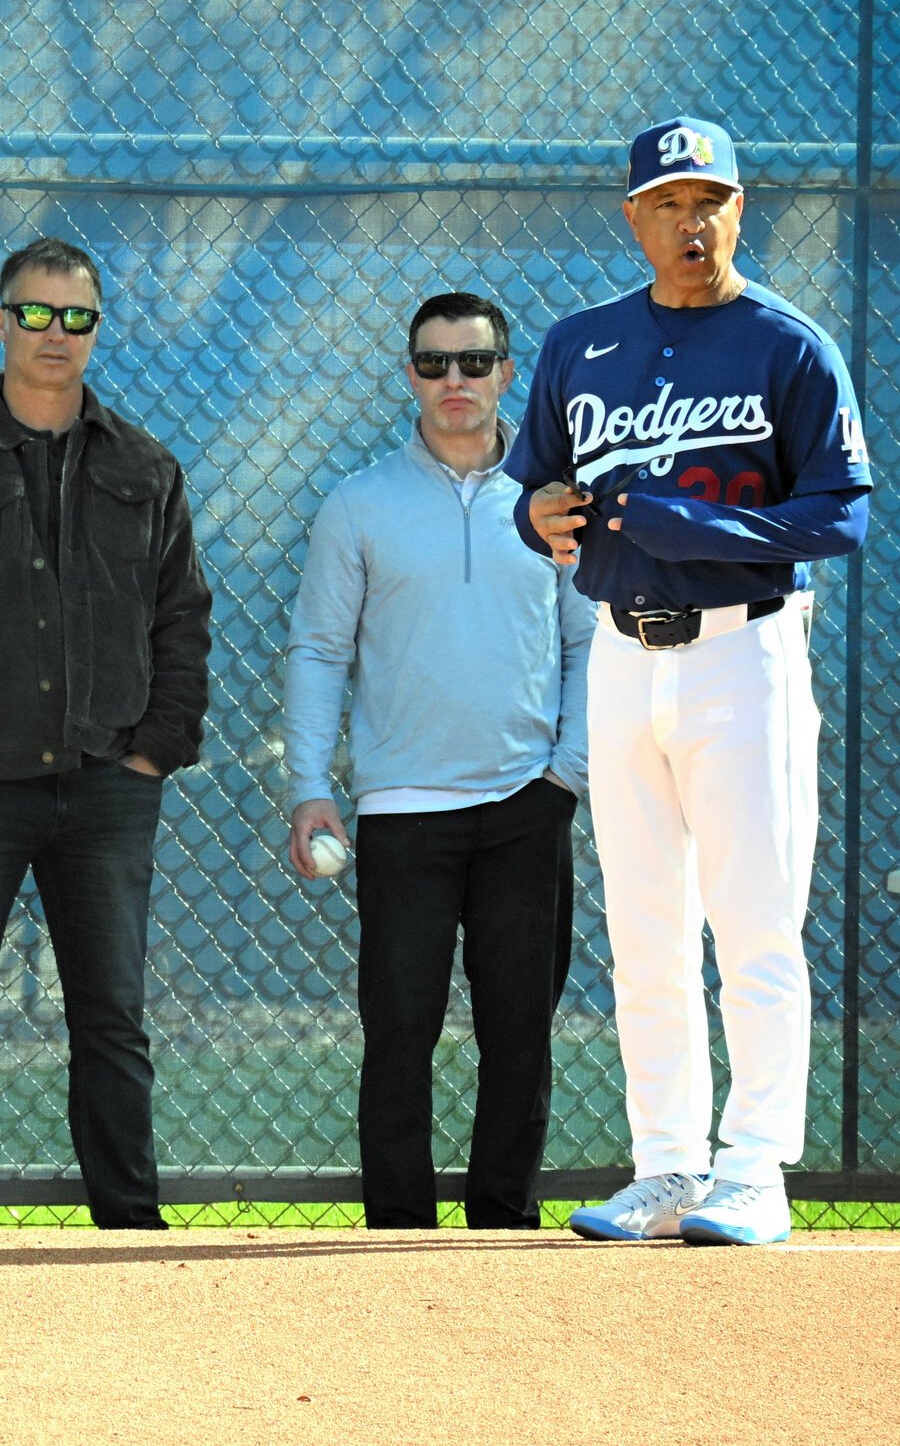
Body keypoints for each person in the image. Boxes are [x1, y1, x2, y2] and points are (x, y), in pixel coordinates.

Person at [506, 116, 872, 1246]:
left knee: (754, 925)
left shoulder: (787, 343)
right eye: (666, 202)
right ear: (633, 219)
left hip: (741, 652)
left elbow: (840, 516)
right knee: (646, 927)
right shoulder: (581, 343)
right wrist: (538, 515)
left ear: (738, 212)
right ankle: (665, 1164)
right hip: (620, 654)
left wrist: (705, 523)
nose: (689, 221)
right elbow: (536, 493)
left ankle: (753, 1168)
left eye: (707, 200)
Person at [0, 237, 212, 1231]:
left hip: (107, 788)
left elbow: (182, 617)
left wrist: (154, 746)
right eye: (36, 313)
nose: (55, 334)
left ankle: (129, 1232)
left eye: (77, 318)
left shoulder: (145, 468)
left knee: (112, 1021)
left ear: (96, 331)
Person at [285, 291, 591, 1231]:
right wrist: (309, 788)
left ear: (508, 371)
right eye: (433, 363)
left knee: (518, 1037)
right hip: (402, 811)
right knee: (400, 1033)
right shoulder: (360, 503)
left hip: (523, 806)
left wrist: (564, 775)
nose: (453, 381)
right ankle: (399, 1232)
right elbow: (319, 649)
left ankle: (503, 1224)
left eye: (473, 361)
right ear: (408, 374)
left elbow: (590, 641)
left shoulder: (551, 503)